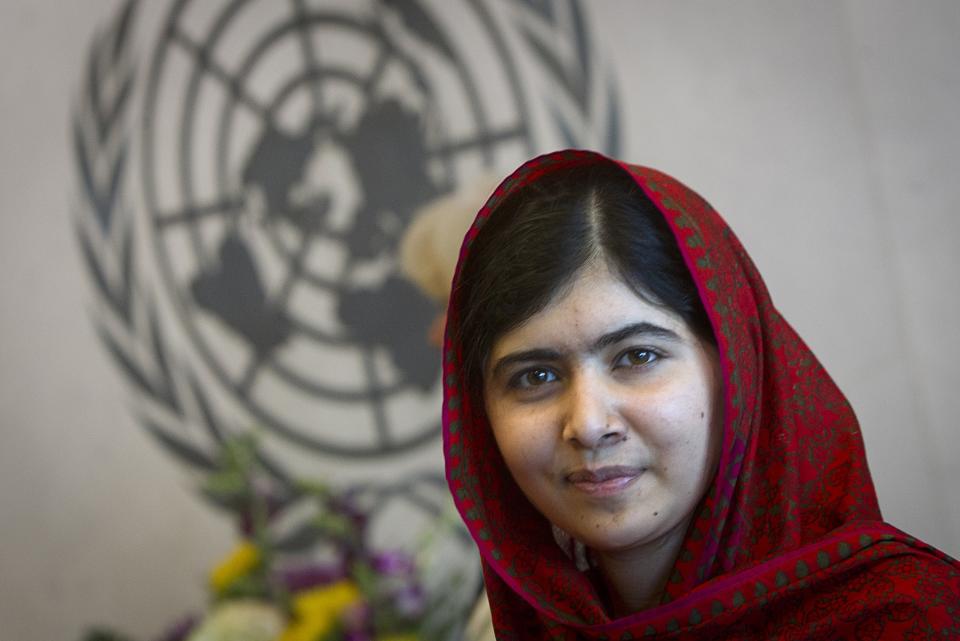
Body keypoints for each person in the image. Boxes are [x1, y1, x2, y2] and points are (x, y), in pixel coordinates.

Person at [441, 149, 960, 639]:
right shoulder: (521, 627)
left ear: (735, 365)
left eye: (637, 356)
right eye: (535, 377)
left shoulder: (910, 618)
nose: (589, 424)